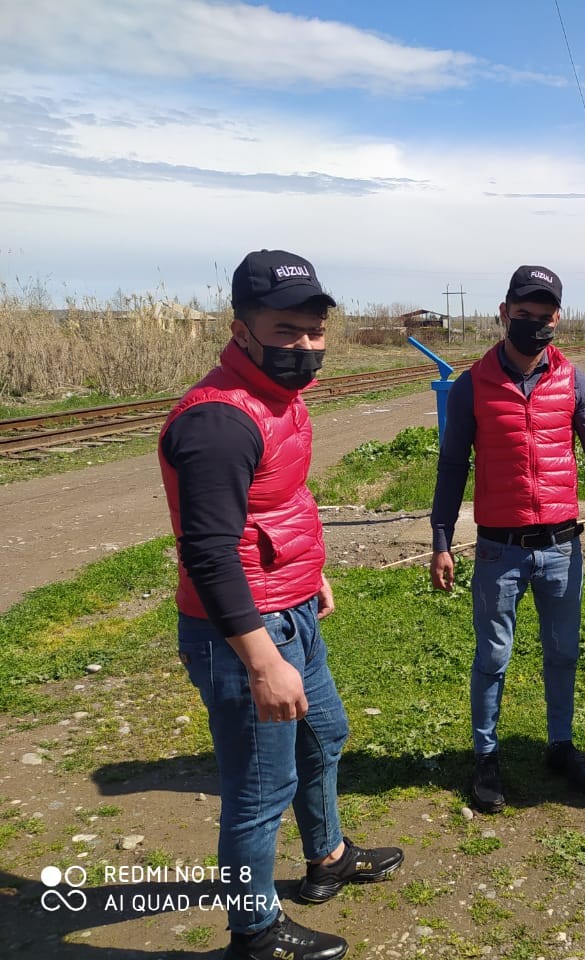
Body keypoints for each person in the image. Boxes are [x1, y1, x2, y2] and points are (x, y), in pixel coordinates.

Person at [159, 250, 403, 960]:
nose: (303, 346)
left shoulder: (276, 398)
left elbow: (280, 499)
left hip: (289, 602)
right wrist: (263, 662)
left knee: (325, 734)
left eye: (313, 332)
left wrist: (310, 570)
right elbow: (208, 553)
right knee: (260, 790)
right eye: (285, 331)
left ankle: (326, 856)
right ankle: (254, 931)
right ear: (241, 331)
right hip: (243, 634)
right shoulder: (220, 421)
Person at [430, 264, 585, 814]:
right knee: (493, 655)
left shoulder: (572, 380)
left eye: (544, 317)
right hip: (498, 548)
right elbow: (451, 466)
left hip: (562, 546)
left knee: (563, 653)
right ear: (504, 313)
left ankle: (560, 747)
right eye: (524, 315)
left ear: (557, 319)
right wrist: (442, 538)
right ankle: (486, 756)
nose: (534, 325)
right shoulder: (473, 384)